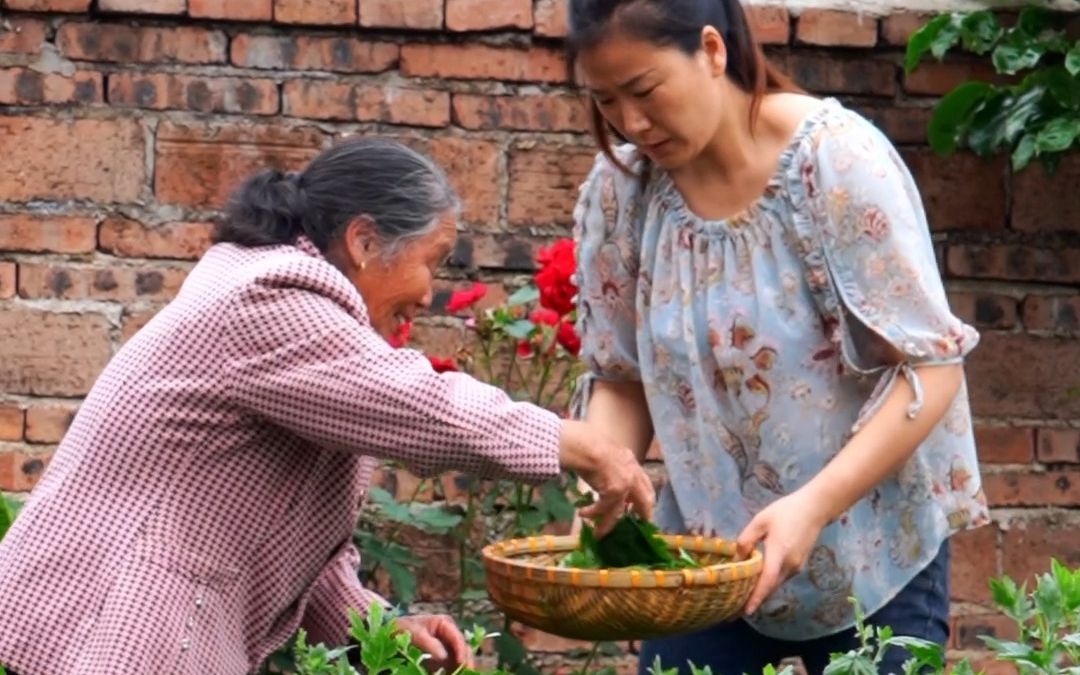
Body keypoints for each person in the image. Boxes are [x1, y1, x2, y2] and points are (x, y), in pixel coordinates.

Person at [0, 138, 655, 675]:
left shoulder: (301, 324)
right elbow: (419, 405)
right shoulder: (272, 295)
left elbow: (295, 532)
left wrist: (377, 627)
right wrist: (580, 443)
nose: (429, 294)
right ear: (365, 240)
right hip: (109, 629)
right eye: (434, 260)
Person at [565, 1, 988, 673]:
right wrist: (605, 482)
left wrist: (811, 507)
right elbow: (622, 376)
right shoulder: (622, 191)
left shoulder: (836, 162)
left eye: (644, 90)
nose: (631, 121)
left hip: (871, 553)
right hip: (706, 562)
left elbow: (932, 368)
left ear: (711, 50)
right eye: (606, 99)